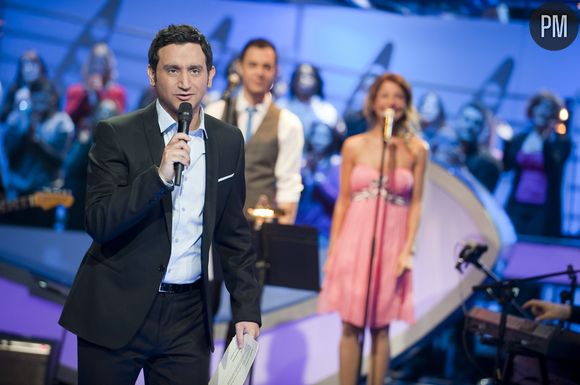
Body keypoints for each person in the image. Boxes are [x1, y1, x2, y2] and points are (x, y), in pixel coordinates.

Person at [58, 24, 261, 385]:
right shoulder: (117, 132)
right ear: (152, 75)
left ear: (210, 76)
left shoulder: (229, 141)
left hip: (187, 318)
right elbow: (99, 221)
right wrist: (158, 177)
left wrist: (246, 309)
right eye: (173, 70)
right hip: (114, 310)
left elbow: (234, 234)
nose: (185, 82)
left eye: (195, 70)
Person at [318, 73, 428, 385]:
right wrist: (334, 250)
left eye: (398, 97)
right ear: (373, 102)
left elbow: (417, 203)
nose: (391, 102)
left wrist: (409, 248)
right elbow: (342, 201)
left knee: (381, 326)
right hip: (355, 239)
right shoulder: (353, 146)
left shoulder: (416, 150)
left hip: (392, 242)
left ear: (406, 104)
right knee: (350, 323)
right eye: (385, 96)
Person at [205, 38, 303, 224]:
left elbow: (288, 186)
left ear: (276, 72)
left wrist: (281, 236)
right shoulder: (216, 112)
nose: (259, 73)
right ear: (240, 67)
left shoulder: (288, 123)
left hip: (259, 229)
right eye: (253, 65)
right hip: (215, 222)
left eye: (267, 67)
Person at [2, 79, 74, 227]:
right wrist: (25, 136)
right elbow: (10, 156)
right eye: (35, 100)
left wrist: (37, 142)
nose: (39, 105)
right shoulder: (20, 118)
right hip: (16, 193)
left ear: (52, 98)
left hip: (45, 194)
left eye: (43, 100)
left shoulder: (62, 123)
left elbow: (60, 161)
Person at [503, 92, 571, 237]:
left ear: (554, 115)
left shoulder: (560, 143)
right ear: (532, 110)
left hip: (543, 210)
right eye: (539, 107)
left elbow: (553, 165)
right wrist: (506, 143)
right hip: (518, 205)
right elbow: (507, 166)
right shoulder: (521, 139)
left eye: (548, 108)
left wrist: (546, 140)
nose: (543, 111)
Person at [65, 42, 126, 132]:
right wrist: (86, 95)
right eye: (95, 63)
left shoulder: (117, 92)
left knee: (107, 107)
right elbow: (69, 118)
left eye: (103, 63)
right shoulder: (76, 91)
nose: (98, 67)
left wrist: (99, 93)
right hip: (78, 135)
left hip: (104, 137)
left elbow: (117, 122)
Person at [454, 101, 502, 192]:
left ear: (482, 128)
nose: (469, 126)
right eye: (466, 119)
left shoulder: (488, 164)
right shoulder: (441, 151)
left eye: (476, 123)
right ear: (457, 120)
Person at [0, 50, 49, 123]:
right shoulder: (15, 88)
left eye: (32, 64)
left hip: (40, 128)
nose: (28, 69)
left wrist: (32, 104)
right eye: (25, 65)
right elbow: (4, 116)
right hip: (17, 129)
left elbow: (52, 113)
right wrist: (16, 107)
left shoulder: (48, 88)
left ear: (39, 67)